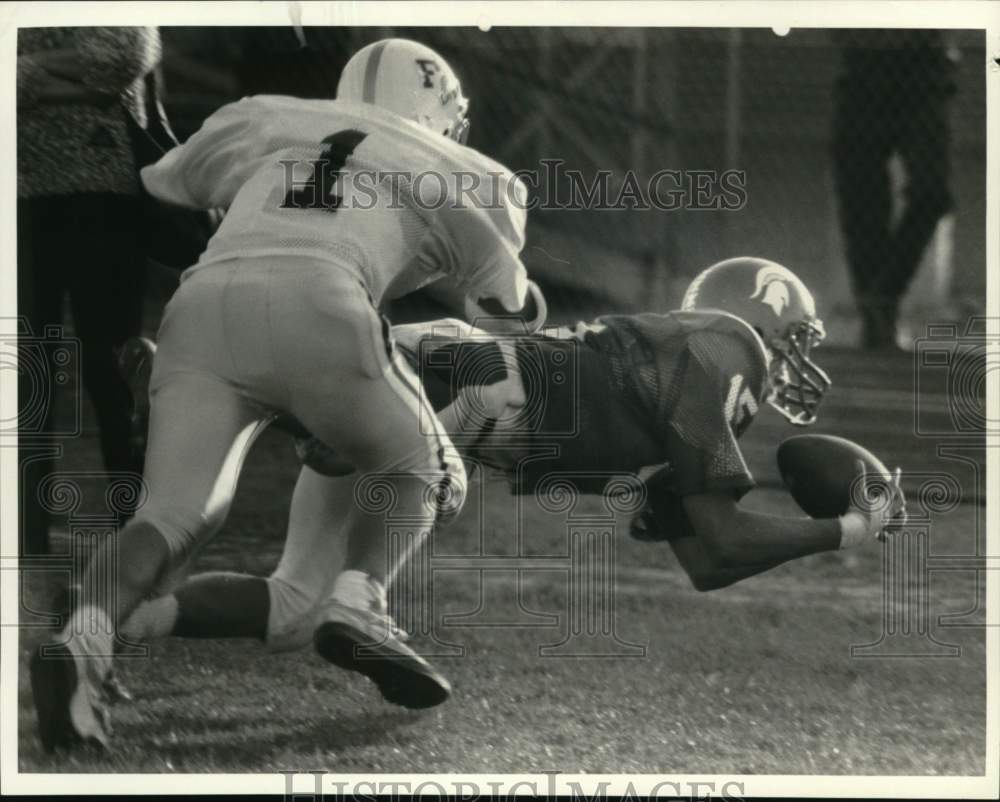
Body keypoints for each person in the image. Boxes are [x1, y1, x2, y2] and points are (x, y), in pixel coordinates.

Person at [30, 38, 541, 752]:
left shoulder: (269, 119)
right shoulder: (464, 170)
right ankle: (360, 605)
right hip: (325, 299)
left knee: (172, 516)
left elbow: (169, 180)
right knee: (423, 470)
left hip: (201, 304)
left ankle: (84, 641)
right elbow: (509, 308)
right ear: (440, 111)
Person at [115, 257, 905, 666]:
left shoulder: (683, 376)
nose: (794, 366)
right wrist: (843, 530)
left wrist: (838, 532)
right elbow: (725, 536)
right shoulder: (722, 346)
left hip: (447, 389)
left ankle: (121, 623)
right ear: (762, 320)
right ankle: (197, 381)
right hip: (463, 383)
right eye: (795, 340)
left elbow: (707, 562)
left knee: (292, 610)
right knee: (389, 466)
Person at [17, 27, 162, 554]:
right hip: (21, 197)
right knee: (25, 369)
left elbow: (128, 52)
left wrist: (27, 72)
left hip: (107, 198)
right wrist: (82, 77)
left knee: (114, 369)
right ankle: (25, 532)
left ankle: (134, 530)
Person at [831, 30, 957, 350]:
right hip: (863, 68)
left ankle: (882, 295)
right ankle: (877, 315)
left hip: (922, 71)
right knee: (863, 202)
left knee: (932, 193)